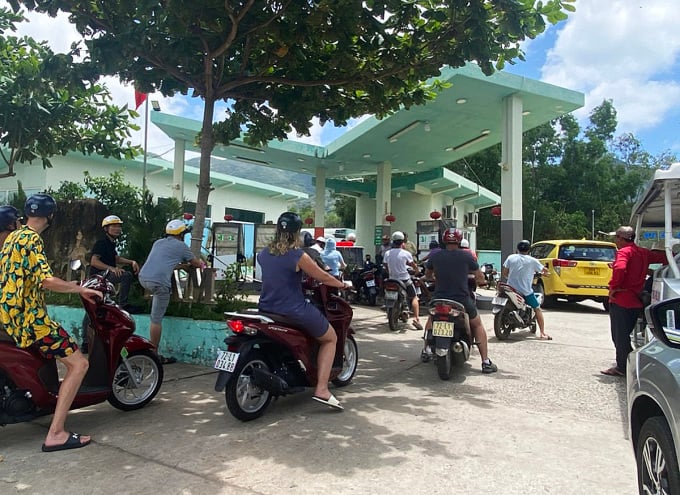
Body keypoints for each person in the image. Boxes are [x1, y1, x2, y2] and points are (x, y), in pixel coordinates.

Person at [0, 194, 102, 451]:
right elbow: (46, 280)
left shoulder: (14, 237)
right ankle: (56, 432)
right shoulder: (32, 239)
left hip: (10, 314)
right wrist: (78, 289)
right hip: (30, 320)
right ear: (51, 216)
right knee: (79, 364)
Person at [257, 212, 351, 410]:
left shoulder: (263, 254)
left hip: (266, 308)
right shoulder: (298, 256)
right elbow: (323, 277)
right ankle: (322, 389)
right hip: (294, 310)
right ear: (297, 233)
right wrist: (342, 285)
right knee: (330, 338)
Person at [424, 228, 498, 373]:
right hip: (461, 300)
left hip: (439, 299)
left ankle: (425, 350)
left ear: (444, 240)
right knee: (477, 325)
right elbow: (480, 276)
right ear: (459, 240)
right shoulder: (467, 256)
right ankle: (485, 362)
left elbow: (428, 274)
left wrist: (433, 278)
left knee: (431, 320)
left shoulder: (436, 256)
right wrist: (480, 282)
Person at [602, 226, 667, 377]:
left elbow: (619, 268)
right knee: (626, 334)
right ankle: (628, 363)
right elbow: (663, 258)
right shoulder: (642, 252)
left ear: (620, 238)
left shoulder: (624, 252)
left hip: (622, 299)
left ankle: (623, 366)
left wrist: (614, 286)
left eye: (616, 238)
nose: (615, 240)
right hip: (636, 299)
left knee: (619, 336)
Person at [138, 219, 202, 364]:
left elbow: (163, 261)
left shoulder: (158, 243)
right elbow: (196, 263)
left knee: (156, 307)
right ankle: (154, 355)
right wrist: (201, 264)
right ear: (181, 234)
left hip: (143, 278)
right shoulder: (181, 246)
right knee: (156, 319)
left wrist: (179, 266)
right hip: (159, 283)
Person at [81, 215, 141, 353]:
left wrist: (131, 261)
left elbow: (115, 258)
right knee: (125, 276)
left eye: (119, 226)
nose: (117, 229)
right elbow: (94, 262)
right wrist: (112, 268)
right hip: (98, 279)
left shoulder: (110, 243)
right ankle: (123, 304)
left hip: (104, 277)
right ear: (106, 228)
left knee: (95, 308)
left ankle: (87, 341)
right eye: (113, 226)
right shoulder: (101, 243)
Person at [502, 240, 551, 340]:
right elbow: (544, 270)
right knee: (537, 308)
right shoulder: (532, 260)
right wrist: (545, 273)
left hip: (510, 289)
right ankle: (542, 333)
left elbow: (505, 273)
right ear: (529, 250)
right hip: (525, 291)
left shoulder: (511, 257)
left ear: (517, 249)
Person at [383, 231, 423, 330]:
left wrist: (390, 272)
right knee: (414, 297)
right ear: (402, 242)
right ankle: (417, 319)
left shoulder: (387, 253)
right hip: (404, 279)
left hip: (392, 279)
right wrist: (417, 271)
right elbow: (413, 265)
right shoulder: (406, 253)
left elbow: (385, 265)